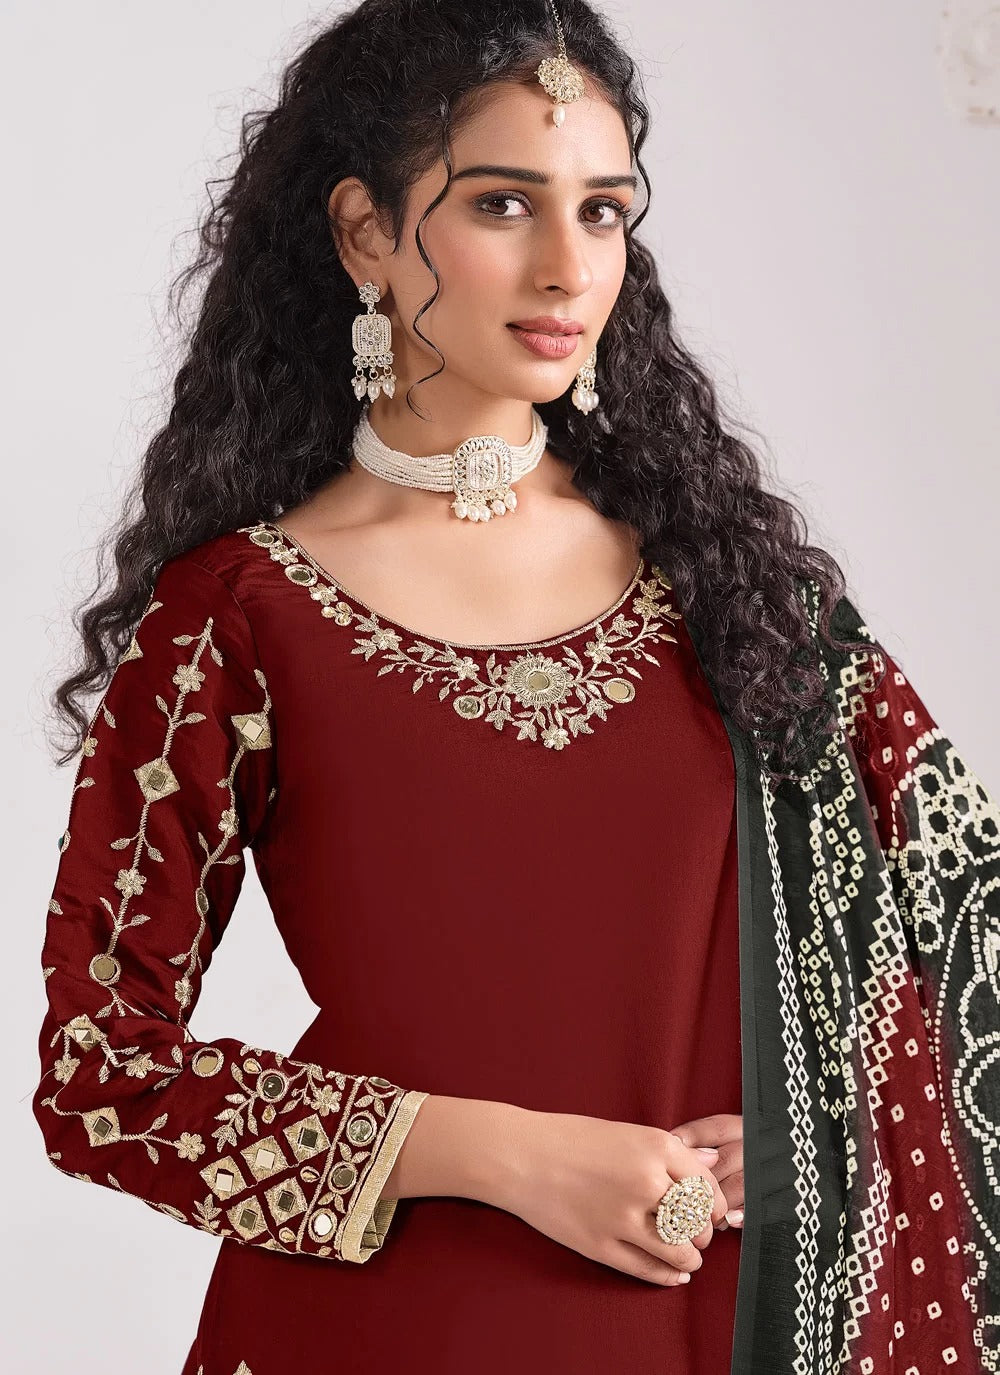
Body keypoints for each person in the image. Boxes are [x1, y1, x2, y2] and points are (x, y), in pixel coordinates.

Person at [32, 1, 998, 1372]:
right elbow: (100, 1081)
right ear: (366, 231)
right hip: (371, 1328)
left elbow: (974, 945)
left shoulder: (733, 593)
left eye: (604, 212)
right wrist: (491, 1152)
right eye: (502, 204)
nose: (566, 267)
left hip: (711, 1316)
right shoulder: (231, 620)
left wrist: (814, 1134)